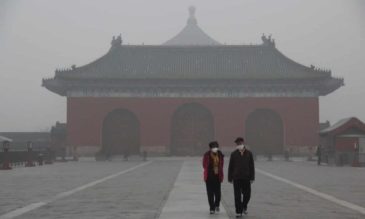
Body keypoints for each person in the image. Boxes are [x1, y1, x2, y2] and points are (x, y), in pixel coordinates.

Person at [228, 137, 255, 218]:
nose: (238, 145)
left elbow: (251, 166)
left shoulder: (249, 153)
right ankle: (238, 211)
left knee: (247, 195)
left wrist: (252, 177)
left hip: (246, 177)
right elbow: (230, 167)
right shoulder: (233, 154)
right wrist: (230, 177)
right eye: (237, 144)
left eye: (240, 143)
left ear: (243, 143)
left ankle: (244, 205)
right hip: (236, 178)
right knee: (237, 196)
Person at [202, 141, 224, 214]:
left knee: (218, 193)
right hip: (209, 177)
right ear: (210, 148)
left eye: (216, 147)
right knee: (210, 193)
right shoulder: (207, 155)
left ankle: (217, 204)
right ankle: (212, 208)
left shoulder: (220, 154)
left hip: (217, 176)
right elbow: (204, 164)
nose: (215, 148)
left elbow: (222, 164)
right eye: (213, 147)